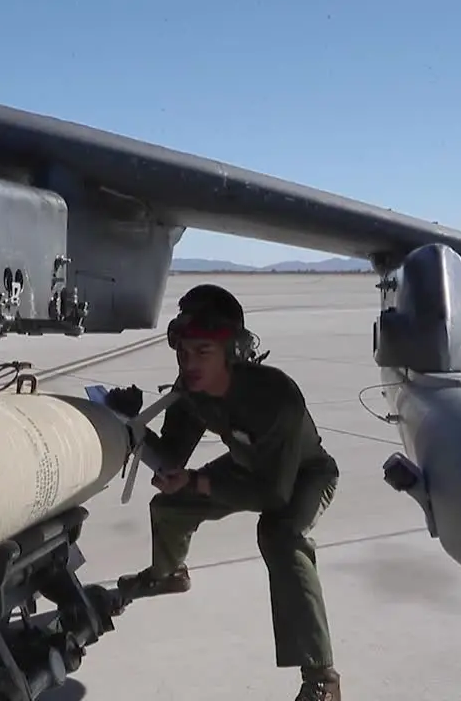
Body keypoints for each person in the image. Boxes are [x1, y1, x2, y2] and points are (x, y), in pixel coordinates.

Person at [104, 284, 342, 701]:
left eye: (203, 352)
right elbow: (174, 454)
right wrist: (130, 425)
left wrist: (198, 481)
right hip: (248, 465)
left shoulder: (276, 397)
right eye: (183, 353)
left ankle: (321, 678)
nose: (189, 364)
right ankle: (168, 575)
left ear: (231, 351)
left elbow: (272, 494)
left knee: (280, 535)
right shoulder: (193, 391)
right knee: (170, 506)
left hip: (304, 475)